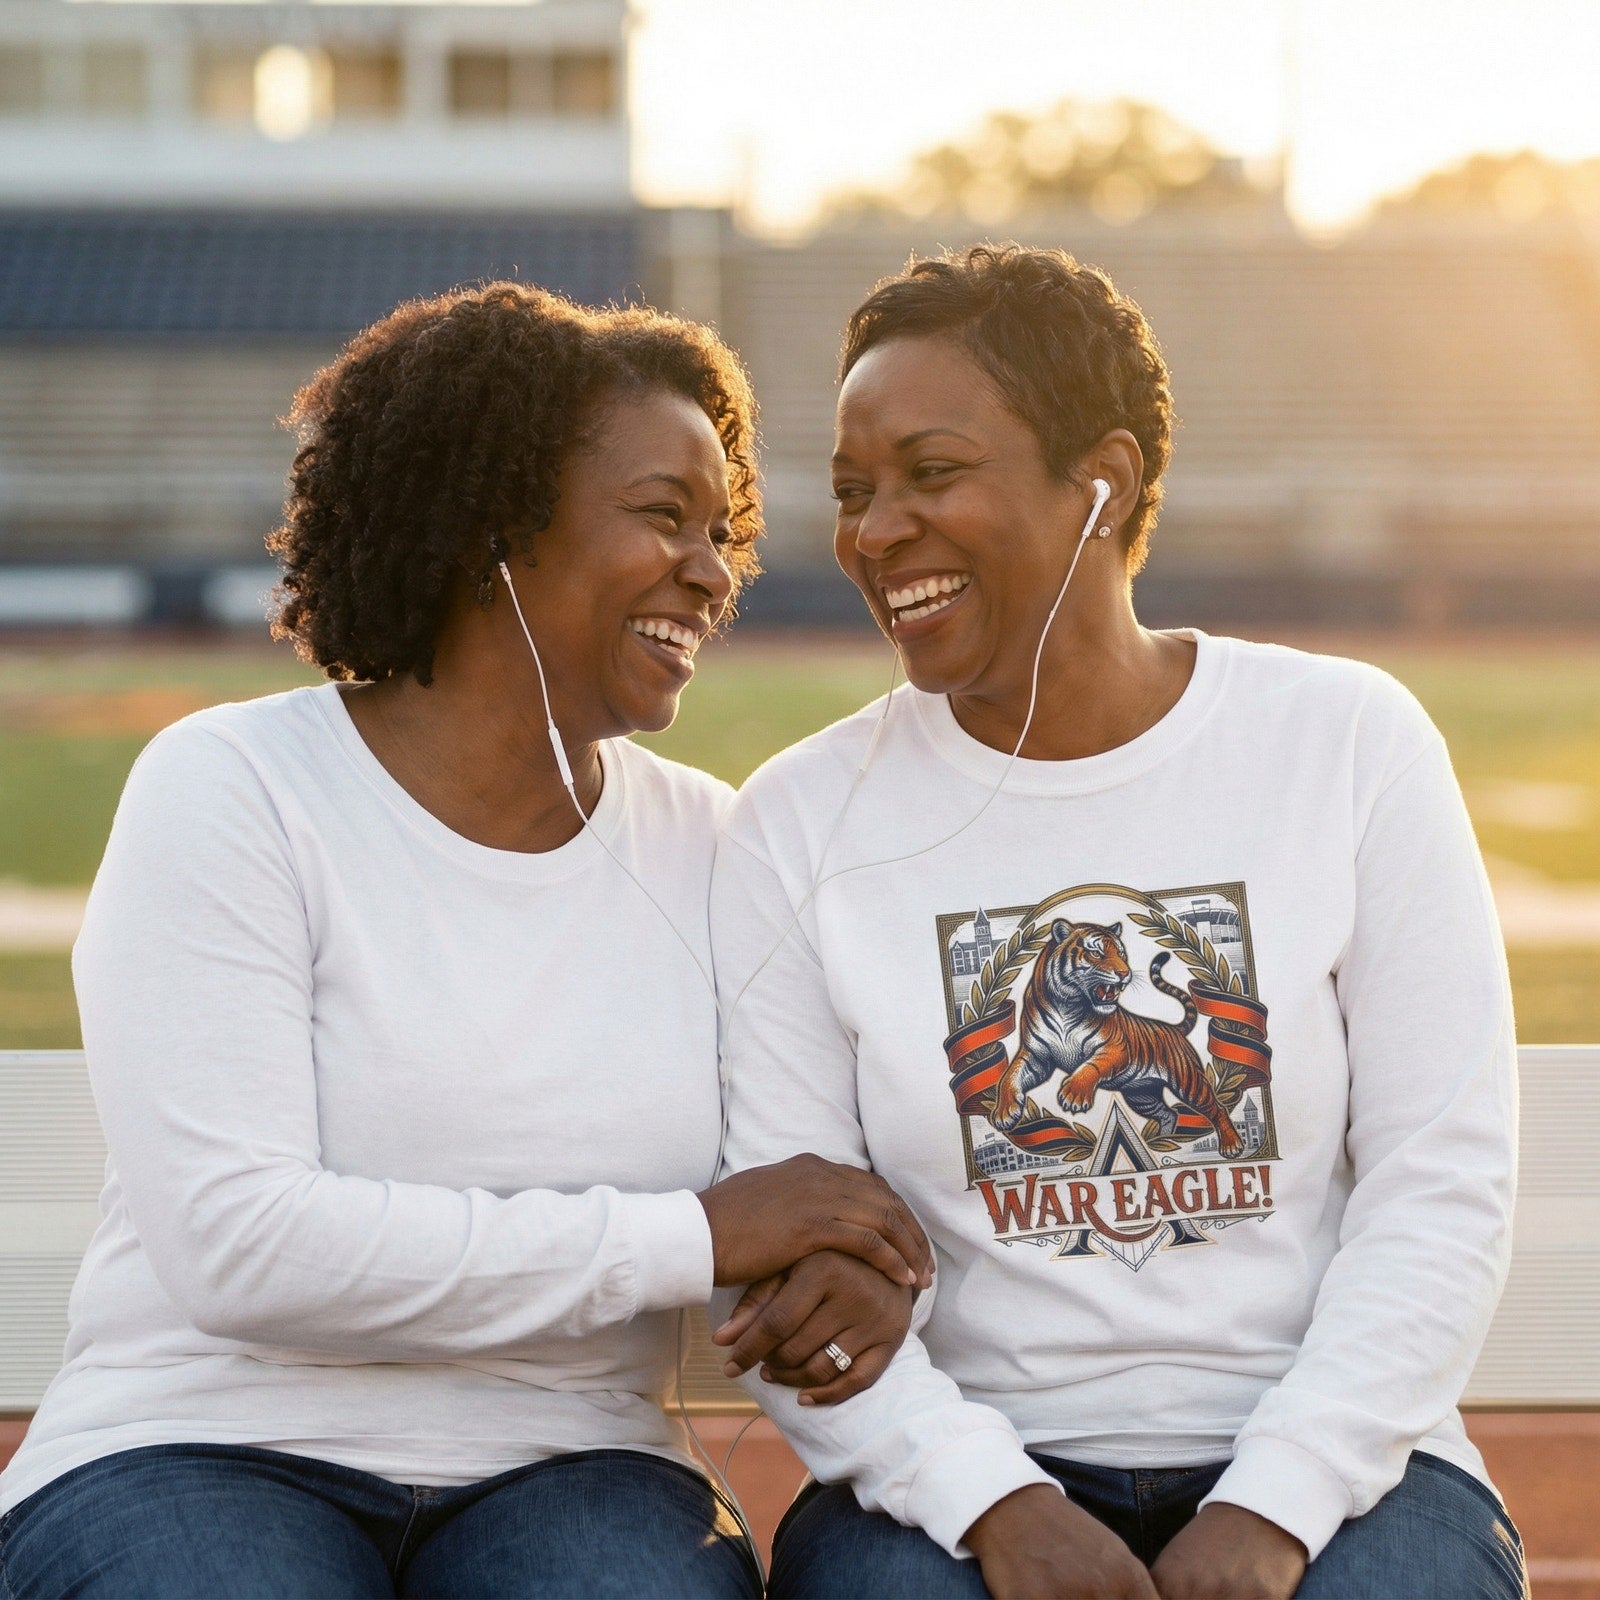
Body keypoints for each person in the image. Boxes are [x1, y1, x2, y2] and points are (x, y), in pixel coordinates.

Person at [0, 283, 928, 1600]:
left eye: (721, 533)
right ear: (492, 522)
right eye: (662, 515)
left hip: (572, 1461)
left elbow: (797, 1192)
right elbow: (242, 1248)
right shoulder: (234, 788)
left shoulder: (720, 848)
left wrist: (846, 1270)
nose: (712, 571)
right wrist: (691, 1237)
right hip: (198, 1442)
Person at [711, 245, 1527, 1600]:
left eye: (931, 473)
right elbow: (793, 1266)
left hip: (1339, 1464)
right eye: (854, 492)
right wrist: (993, 1506)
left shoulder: (1346, 743)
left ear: (1103, 481)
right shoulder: (797, 820)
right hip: (961, 1471)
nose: (874, 531)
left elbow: (1440, 1184)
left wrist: (1273, 1507)